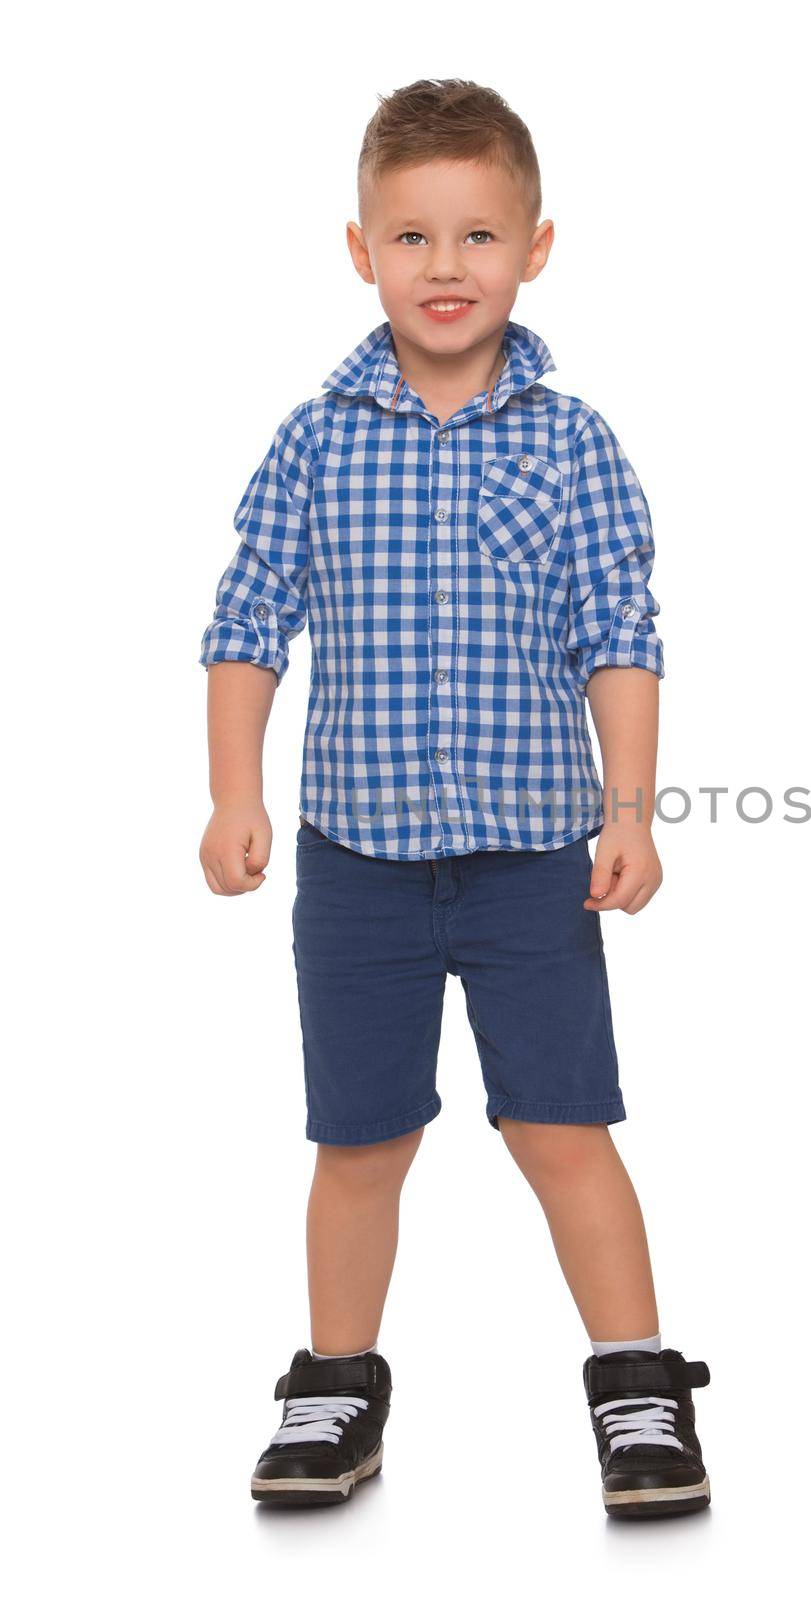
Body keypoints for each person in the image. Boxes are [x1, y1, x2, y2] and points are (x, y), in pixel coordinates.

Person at [198, 77, 712, 1520]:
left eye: (478, 234)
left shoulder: (571, 443)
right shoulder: (317, 440)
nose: (446, 267)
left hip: (531, 862)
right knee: (360, 1139)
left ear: (535, 246)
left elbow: (619, 630)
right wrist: (233, 791)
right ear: (360, 250)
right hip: (356, 862)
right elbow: (248, 620)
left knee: (562, 1124)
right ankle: (335, 1390)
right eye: (412, 236)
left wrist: (630, 812)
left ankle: (639, 1385)